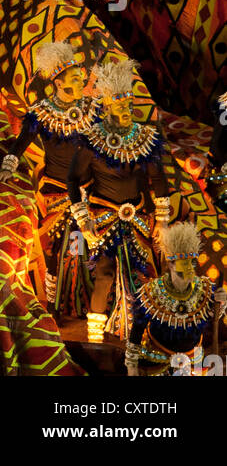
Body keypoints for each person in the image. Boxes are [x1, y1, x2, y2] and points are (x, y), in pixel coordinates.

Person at [67, 59, 171, 342]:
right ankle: (95, 338)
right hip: (104, 218)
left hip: (138, 217)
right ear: (108, 107)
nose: (126, 112)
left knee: (145, 274)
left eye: (129, 106)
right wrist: (84, 219)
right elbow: (74, 181)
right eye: (120, 107)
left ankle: (141, 336)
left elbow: (159, 181)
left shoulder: (146, 138)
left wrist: (161, 223)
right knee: (105, 274)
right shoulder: (92, 139)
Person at [0, 39, 100, 314]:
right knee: (54, 250)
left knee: (86, 248)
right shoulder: (41, 114)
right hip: (54, 191)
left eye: (82, 79)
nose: (82, 84)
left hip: (89, 190)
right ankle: (54, 306)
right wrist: (8, 166)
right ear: (58, 83)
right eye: (76, 80)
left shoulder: (93, 109)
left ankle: (87, 305)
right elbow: (20, 143)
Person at [126, 222, 226, 376]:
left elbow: (212, 318)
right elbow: (137, 331)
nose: (189, 270)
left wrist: (221, 302)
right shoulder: (151, 292)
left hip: (193, 364)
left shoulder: (205, 290)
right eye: (183, 265)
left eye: (192, 264)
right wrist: (132, 367)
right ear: (171, 264)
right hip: (157, 362)